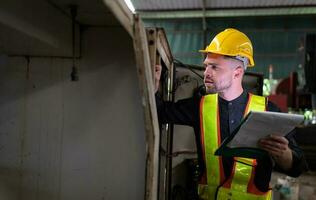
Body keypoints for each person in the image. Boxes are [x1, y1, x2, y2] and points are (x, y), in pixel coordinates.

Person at [155, 28, 308, 200]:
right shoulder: (199, 106)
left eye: (214, 67)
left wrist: (284, 155)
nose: (206, 73)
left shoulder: (268, 111)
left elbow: (298, 167)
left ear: (237, 72)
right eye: (206, 66)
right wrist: (154, 86)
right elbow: (160, 112)